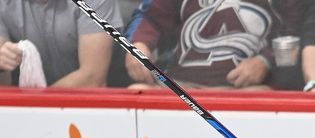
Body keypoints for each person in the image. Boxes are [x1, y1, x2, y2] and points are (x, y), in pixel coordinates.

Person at [125, 0, 302, 90]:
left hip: (246, 90)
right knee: (137, 92)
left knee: (266, 100)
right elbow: (151, 17)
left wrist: (266, 61)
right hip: (181, 85)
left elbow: (298, 30)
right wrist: (139, 45)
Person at [0, 0, 121, 88]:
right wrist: (4, 60)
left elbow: (92, 78)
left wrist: (38, 106)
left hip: (90, 106)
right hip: (20, 109)